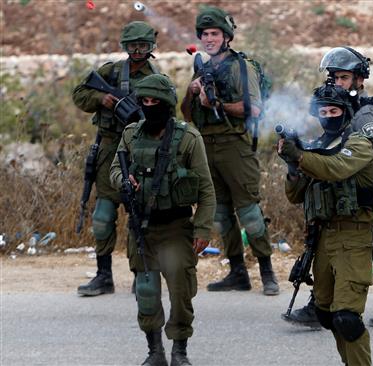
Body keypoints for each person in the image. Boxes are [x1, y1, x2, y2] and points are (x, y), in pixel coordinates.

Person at [283, 46, 373, 330]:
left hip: (366, 193)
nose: (336, 83)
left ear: (358, 79)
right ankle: (320, 303)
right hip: (340, 189)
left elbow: (372, 157)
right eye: (333, 77)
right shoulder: (338, 107)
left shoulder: (366, 113)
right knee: (327, 243)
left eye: (342, 77)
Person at [109, 74, 215, 366]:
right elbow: (115, 170)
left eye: (155, 101)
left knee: (181, 293)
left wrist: (203, 228)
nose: (149, 106)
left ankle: (179, 351)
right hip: (141, 229)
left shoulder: (188, 138)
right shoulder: (130, 134)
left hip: (176, 228)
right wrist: (124, 180)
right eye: (144, 101)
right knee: (146, 294)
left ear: (167, 104)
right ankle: (155, 351)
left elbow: (206, 189)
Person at [279, 83, 373, 365]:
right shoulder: (317, 146)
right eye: (322, 111)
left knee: (347, 317)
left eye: (333, 110)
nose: (327, 115)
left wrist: (300, 156)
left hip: (353, 237)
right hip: (322, 239)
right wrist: (292, 166)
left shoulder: (359, 143)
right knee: (326, 314)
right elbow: (294, 196)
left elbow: (336, 169)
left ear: (345, 112)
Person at [180, 6, 278, 296]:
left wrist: (218, 105)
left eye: (215, 33)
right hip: (205, 147)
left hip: (235, 146)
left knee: (249, 212)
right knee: (221, 213)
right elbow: (187, 114)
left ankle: (267, 272)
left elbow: (254, 108)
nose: (209, 39)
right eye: (205, 34)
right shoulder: (201, 68)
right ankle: (237, 272)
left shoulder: (240, 67)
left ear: (226, 37)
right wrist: (192, 91)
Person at [72, 21, 161, 296]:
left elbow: (168, 112)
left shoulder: (156, 78)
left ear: (150, 48)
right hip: (110, 148)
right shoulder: (110, 72)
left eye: (142, 46)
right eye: (132, 46)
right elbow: (79, 94)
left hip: (141, 151)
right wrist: (102, 99)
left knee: (139, 218)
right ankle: (103, 275)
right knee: (103, 216)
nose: (137, 51)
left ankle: (141, 273)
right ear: (125, 46)